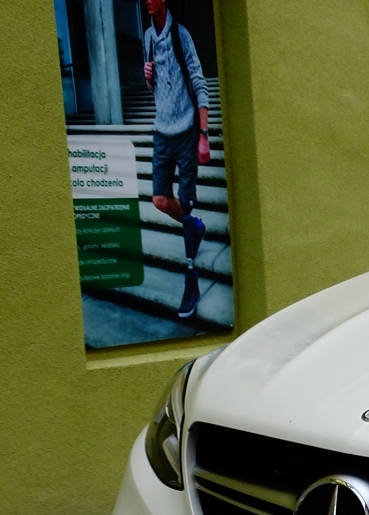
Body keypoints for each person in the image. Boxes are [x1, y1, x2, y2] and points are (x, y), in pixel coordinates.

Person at [143, 0, 210, 319]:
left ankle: (191, 282)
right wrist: (148, 77)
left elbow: (199, 82)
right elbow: (155, 89)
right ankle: (193, 225)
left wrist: (203, 135)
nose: (147, 1)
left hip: (185, 131)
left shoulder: (181, 35)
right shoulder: (146, 37)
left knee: (185, 201)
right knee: (159, 199)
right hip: (161, 131)